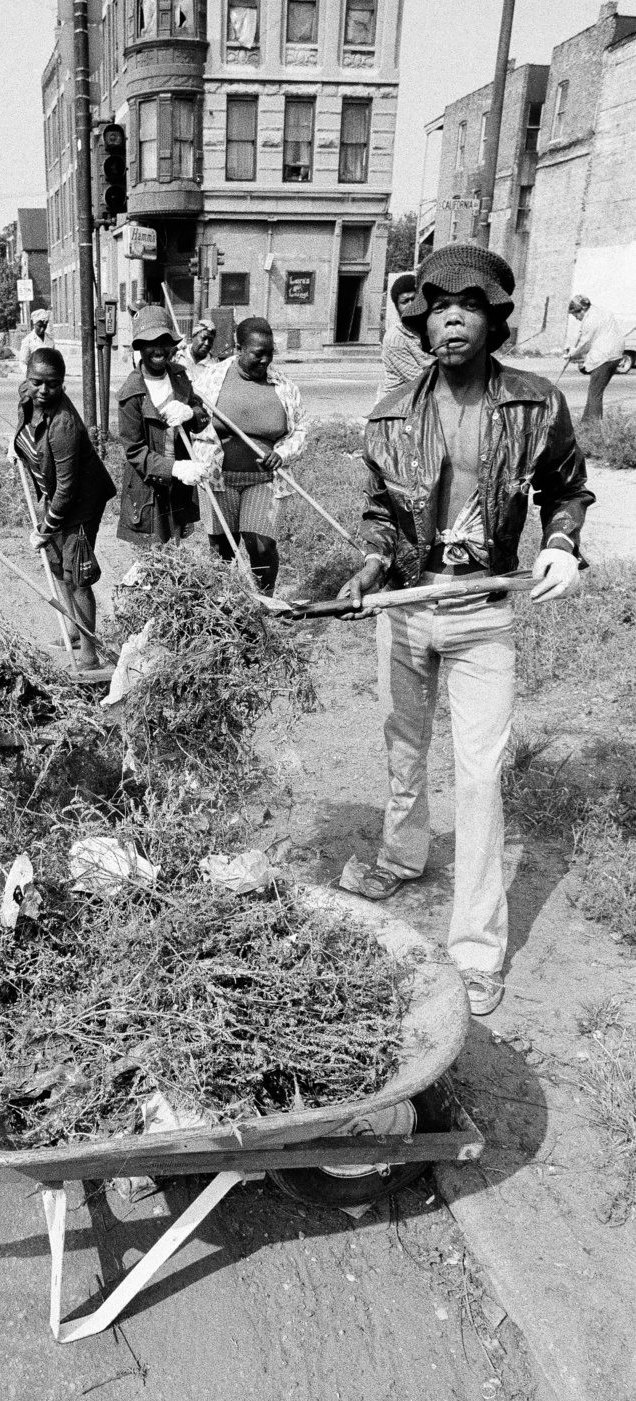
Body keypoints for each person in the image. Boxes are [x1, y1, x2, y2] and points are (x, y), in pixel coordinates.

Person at [336, 243, 594, 1017]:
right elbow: (383, 516)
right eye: (439, 306)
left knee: (479, 778)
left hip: (485, 610)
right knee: (402, 747)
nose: (452, 318)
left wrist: (558, 543)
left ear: (492, 318)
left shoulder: (533, 403)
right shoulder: (388, 413)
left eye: (469, 306)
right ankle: (401, 853)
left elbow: (566, 491)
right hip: (410, 606)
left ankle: (476, 950)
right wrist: (372, 566)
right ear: (421, 319)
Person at [13, 348, 116, 671]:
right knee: (56, 564)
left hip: (82, 501)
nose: (44, 390)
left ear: (62, 384)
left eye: (53, 384)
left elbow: (68, 490)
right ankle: (72, 630)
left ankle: (89, 653)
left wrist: (45, 529)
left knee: (77, 575)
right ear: (28, 379)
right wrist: (16, 446)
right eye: (37, 382)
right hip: (53, 491)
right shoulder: (26, 395)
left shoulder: (64, 426)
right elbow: (24, 424)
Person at [192, 316, 308, 594]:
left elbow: (301, 430)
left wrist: (282, 453)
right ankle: (222, 607)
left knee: (261, 545)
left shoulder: (283, 386)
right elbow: (191, 423)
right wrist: (193, 415)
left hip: (264, 480)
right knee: (222, 549)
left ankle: (265, 602)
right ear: (238, 348)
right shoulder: (209, 380)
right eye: (258, 353)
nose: (266, 360)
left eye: (270, 353)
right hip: (219, 479)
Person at [116, 305, 210, 548]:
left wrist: (190, 413)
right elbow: (135, 452)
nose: (158, 349)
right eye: (150, 342)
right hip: (148, 488)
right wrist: (175, 468)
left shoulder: (179, 376)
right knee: (152, 555)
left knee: (176, 548)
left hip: (179, 487)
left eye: (164, 341)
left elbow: (203, 417)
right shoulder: (131, 393)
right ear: (139, 347)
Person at [565, 294, 626, 425]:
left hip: (604, 357)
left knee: (595, 393)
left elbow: (585, 343)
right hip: (615, 355)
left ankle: (593, 428)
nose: (576, 319)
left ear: (581, 309)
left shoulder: (590, 320)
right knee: (595, 391)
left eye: (576, 315)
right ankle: (585, 423)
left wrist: (572, 354)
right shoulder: (601, 311)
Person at [378, 273, 434, 399]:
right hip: (396, 408)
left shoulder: (430, 330)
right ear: (397, 307)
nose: (410, 305)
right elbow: (421, 381)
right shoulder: (395, 337)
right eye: (404, 302)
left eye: (414, 299)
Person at [18, 308, 55, 375]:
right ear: (34, 324)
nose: (42, 329)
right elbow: (22, 362)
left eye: (44, 326)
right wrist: (30, 375)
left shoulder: (50, 339)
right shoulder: (28, 340)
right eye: (39, 326)